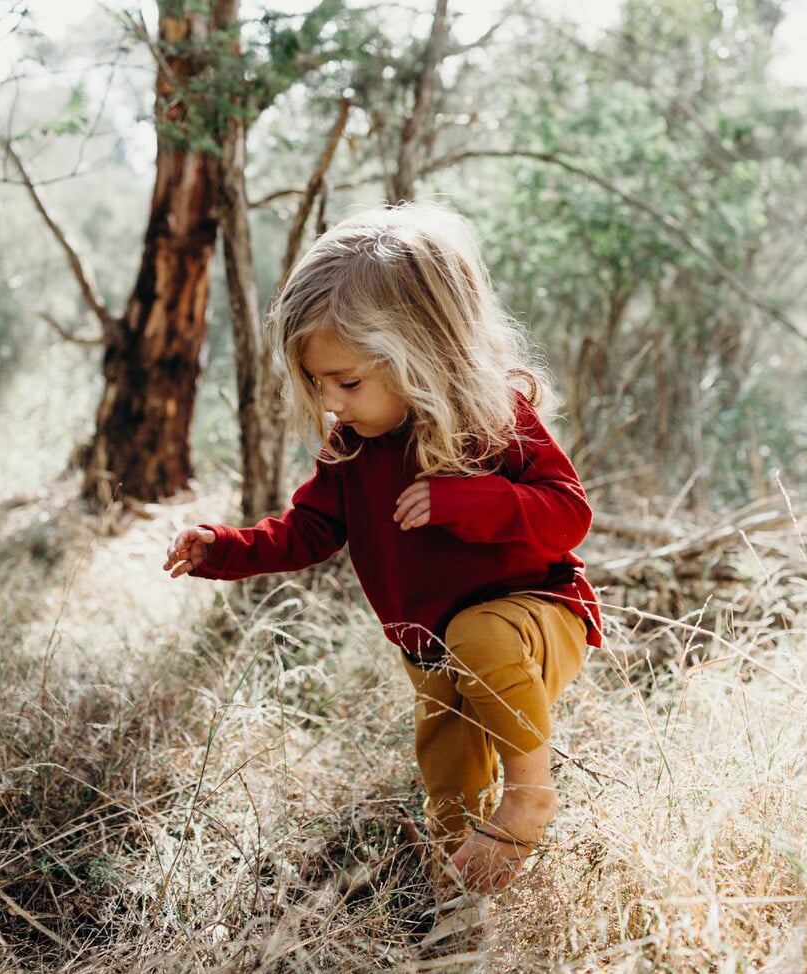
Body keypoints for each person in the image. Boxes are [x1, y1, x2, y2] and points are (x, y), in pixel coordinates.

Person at [163, 202, 602, 896]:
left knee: (478, 633)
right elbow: (304, 533)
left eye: (348, 381)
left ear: (422, 351)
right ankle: (463, 901)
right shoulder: (350, 450)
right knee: (448, 778)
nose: (331, 402)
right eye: (315, 382)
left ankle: (529, 794)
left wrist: (469, 499)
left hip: (532, 619)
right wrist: (223, 549)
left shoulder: (491, 421)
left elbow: (568, 515)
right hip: (427, 650)